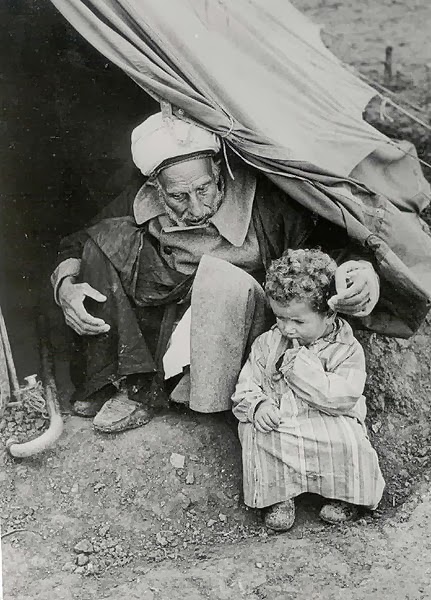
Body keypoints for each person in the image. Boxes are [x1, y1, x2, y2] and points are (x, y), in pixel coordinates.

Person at [51, 111, 381, 433]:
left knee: (219, 278)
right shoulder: (142, 198)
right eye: (178, 196)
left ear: (218, 169)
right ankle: (129, 384)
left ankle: (201, 399)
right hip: (171, 310)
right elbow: (79, 241)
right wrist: (66, 284)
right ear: (156, 186)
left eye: (204, 189)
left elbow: (328, 244)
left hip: (240, 318)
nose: (196, 208)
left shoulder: (266, 200)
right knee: (103, 242)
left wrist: (360, 272)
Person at [231, 248, 385, 531]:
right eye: (280, 318)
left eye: (298, 321)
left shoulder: (346, 348)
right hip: (283, 422)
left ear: (329, 314)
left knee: (350, 442)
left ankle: (344, 496)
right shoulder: (268, 343)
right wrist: (259, 405)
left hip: (328, 421)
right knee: (256, 433)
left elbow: (344, 397)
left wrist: (302, 371)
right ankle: (279, 496)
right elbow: (246, 385)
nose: (287, 329)